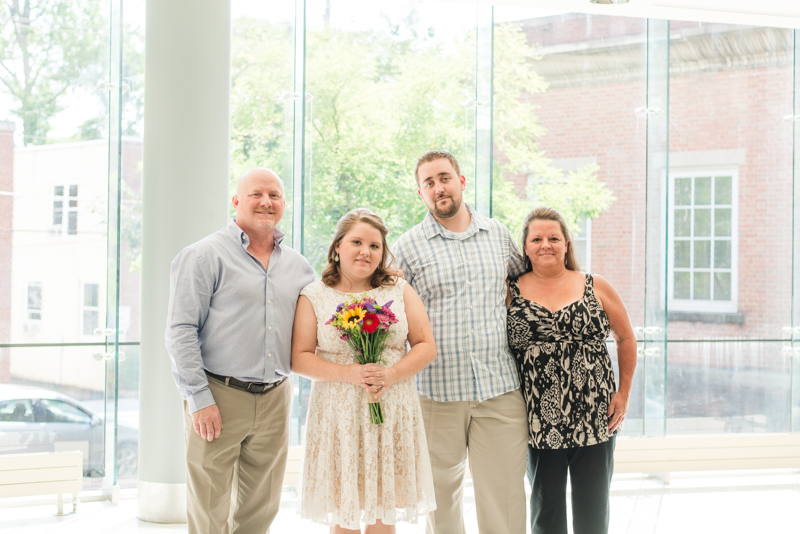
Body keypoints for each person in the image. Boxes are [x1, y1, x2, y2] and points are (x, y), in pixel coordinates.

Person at [165, 168, 314, 533]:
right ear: (236, 202)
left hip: (276, 397)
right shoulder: (203, 255)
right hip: (218, 395)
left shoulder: (298, 266)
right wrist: (199, 398)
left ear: (283, 204)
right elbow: (180, 330)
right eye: (256, 194)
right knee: (210, 506)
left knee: (261, 506)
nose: (266, 202)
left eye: (275, 196)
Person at [393, 150, 529, 534]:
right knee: (439, 500)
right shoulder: (407, 247)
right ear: (420, 193)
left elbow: (524, 284)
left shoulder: (498, 235)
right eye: (429, 183)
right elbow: (389, 312)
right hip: (436, 394)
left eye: (444, 178)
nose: (439, 188)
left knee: (503, 496)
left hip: (499, 391)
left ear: (461, 180)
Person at [292, 208, 437, 534]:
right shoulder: (314, 295)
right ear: (338, 247)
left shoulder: (398, 290)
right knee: (344, 511)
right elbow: (299, 358)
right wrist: (351, 374)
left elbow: (426, 345)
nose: (366, 251)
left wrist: (392, 374)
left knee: (383, 510)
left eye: (374, 246)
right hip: (338, 414)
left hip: (392, 407)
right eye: (357, 242)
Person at [506, 206, 636, 534]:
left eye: (553, 237)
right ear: (525, 247)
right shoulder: (509, 291)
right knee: (545, 510)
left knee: (593, 508)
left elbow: (625, 338)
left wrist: (624, 392)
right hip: (537, 417)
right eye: (536, 239)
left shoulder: (596, 285)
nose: (545, 244)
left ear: (567, 243)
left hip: (596, 412)